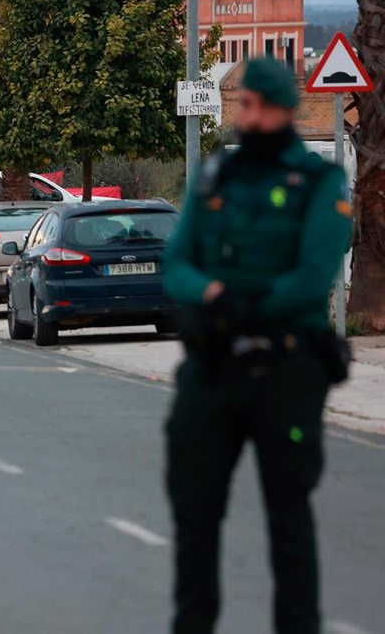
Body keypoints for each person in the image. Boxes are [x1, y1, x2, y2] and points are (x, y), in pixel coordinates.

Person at [162, 56, 352, 634]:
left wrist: (250, 302)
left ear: (280, 109)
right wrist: (216, 295)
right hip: (214, 364)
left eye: (251, 104)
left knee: (288, 521)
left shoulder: (319, 182)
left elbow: (314, 272)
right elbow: (178, 263)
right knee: (194, 514)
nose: (241, 114)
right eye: (239, 103)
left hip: (286, 367)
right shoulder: (217, 173)